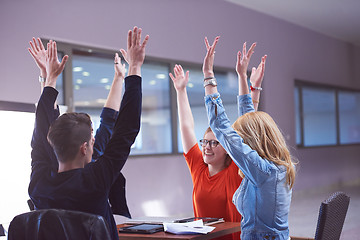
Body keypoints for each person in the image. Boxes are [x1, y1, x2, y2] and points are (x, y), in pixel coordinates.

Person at [28, 26, 149, 240]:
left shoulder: (39, 184)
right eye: (91, 140)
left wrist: (49, 81)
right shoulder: (95, 180)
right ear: (84, 148)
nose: (94, 142)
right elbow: (126, 130)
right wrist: (136, 66)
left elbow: (39, 138)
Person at [169, 37, 265, 240]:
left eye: (215, 143)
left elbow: (249, 126)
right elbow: (186, 126)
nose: (207, 147)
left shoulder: (234, 170)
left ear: (228, 148)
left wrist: (253, 88)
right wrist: (180, 91)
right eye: (205, 142)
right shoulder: (198, 168)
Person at [203, 36, 296, 240]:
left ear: (251, 141)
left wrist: (209, 76)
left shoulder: (263, 171)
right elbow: (250, 122)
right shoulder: (278, 167)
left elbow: (222, 128)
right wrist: (244, 80)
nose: (240, 142)